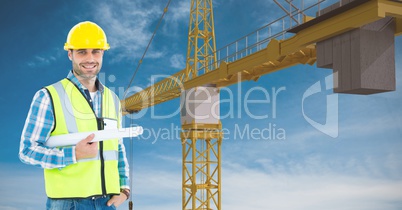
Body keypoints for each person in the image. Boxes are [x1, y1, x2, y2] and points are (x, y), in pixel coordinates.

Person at [19, 21, 130, 209]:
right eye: (81, 52)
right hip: (68, 203)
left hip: (107, 202)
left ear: (103, 53)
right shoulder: (49, 96)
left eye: (96, 51)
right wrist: (73, 154)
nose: (90, 58)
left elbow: (117, 147)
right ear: (70, 53)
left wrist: (124, 189)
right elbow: (27, 151)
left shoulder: (112, 99)